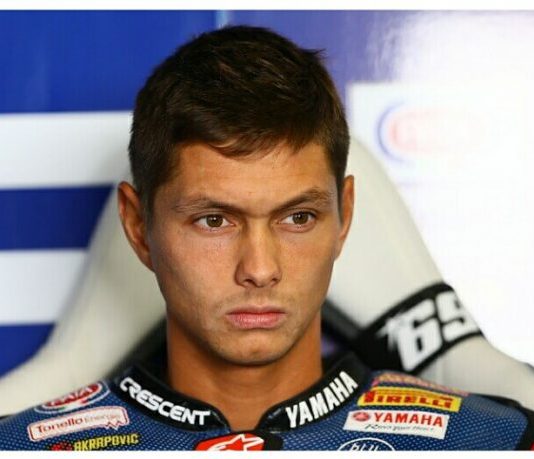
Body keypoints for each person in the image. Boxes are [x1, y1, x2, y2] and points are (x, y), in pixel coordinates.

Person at [0, 25, 533, 451]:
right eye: (215, 221)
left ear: (345, 216)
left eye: (297, 217)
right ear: (138, 226)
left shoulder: (493, 441)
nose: (259, 268)